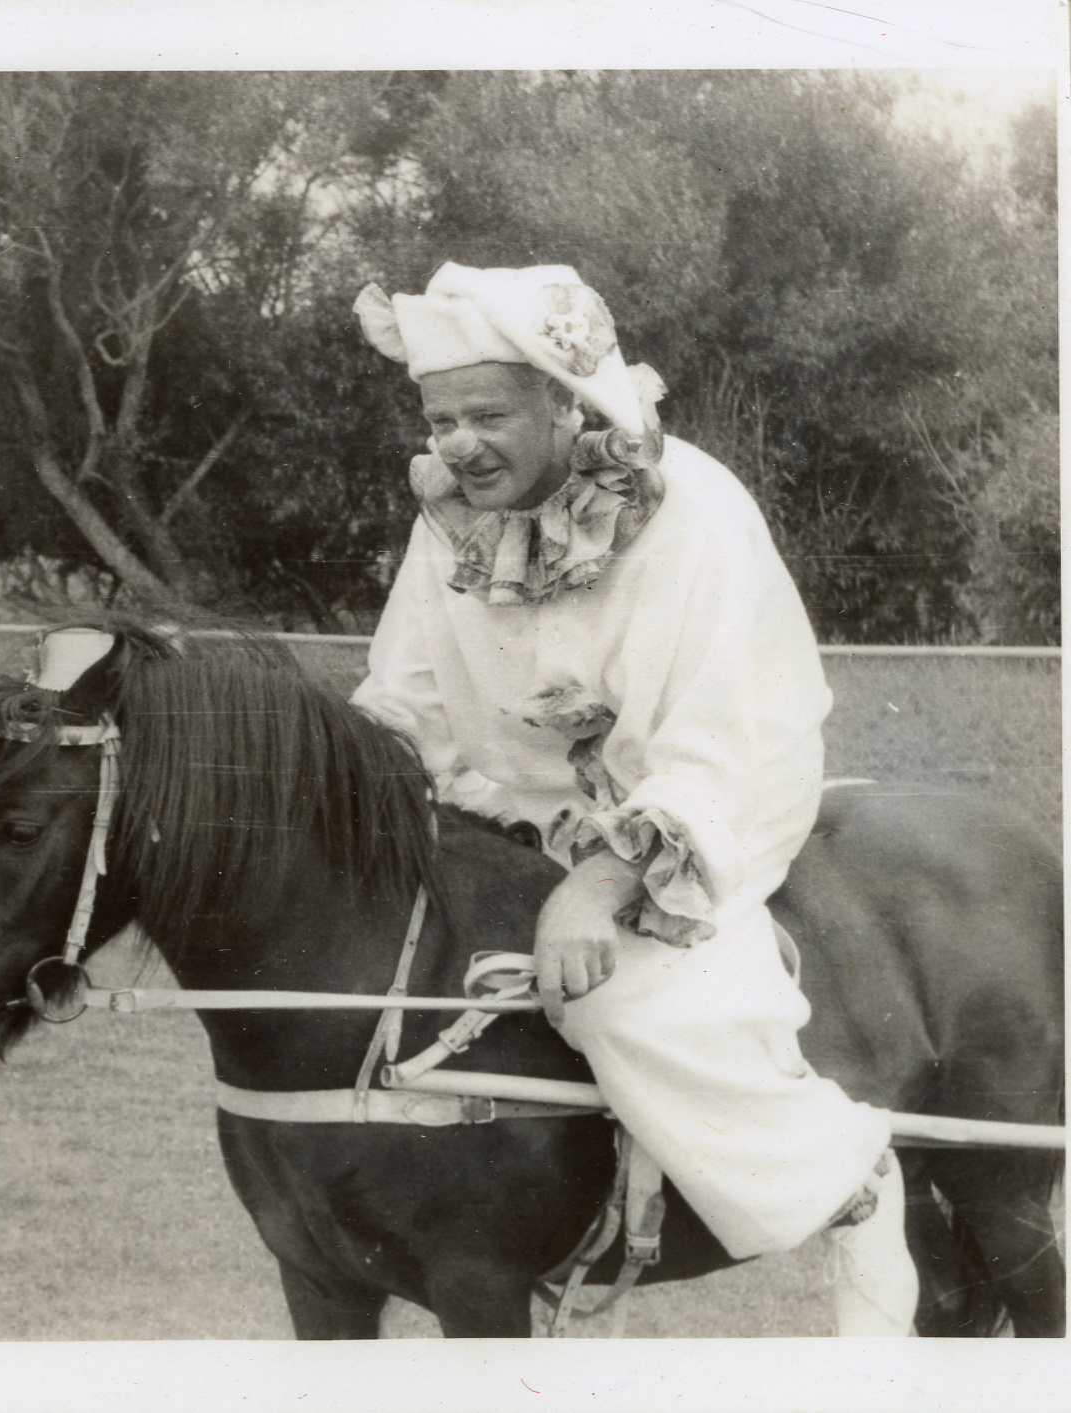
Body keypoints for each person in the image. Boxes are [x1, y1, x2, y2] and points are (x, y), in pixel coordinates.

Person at [348, 262, 919, 1336]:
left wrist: (595, 888)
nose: (457, 444)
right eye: (438, 418)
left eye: (486, 415)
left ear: (567, 403)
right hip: (509, 807)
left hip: (712, 784)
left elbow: (710, 738)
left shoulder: (682, 508)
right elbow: (403, 699)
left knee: (608, 990)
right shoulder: (451, 519)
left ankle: (843, 1179)